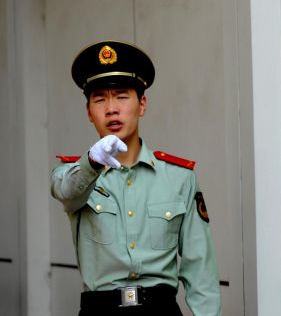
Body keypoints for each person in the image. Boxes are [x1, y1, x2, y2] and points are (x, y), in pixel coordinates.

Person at [51, 40, 221, 315]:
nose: (111, 108)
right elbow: (65, 189)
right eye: (100, 99)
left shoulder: (179, 178)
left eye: (121, 96)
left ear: (142, 104)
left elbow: (200, 270)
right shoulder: (76, 175)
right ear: (88, 113)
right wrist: (93, 162)